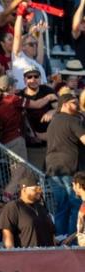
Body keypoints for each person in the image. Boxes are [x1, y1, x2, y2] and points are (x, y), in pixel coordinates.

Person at [45, 92, 85, 237]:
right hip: (69, 168)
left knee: (62, 207)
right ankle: (73, 239)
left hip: (52, 169)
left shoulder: (54, 122)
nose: (77, 105)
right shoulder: (72, 120)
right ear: (66, 104)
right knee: (75, 204)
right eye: (74, 103)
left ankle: (61, 237)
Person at [0, 176, 56, 248]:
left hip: (47, 255)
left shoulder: (41, 208)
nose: (39, 191)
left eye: (40, 189)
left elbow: (51, 233)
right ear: (24, 189)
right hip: (26, 256)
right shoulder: (13, 207)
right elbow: (7, 233)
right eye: (35, 189)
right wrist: (12, 255)